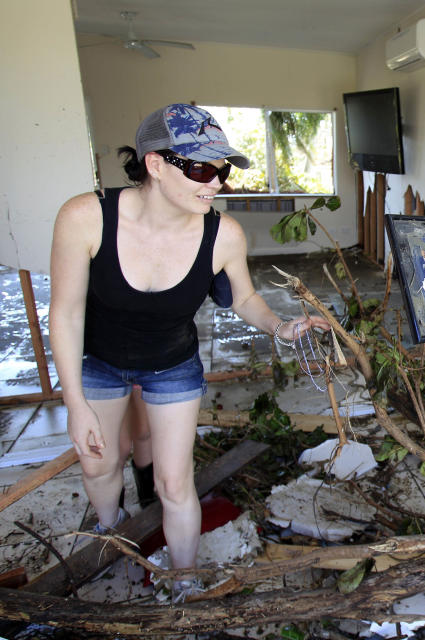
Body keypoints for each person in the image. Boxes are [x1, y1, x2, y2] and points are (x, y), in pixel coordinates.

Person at [49, 103, 328, 603]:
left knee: (174, 482)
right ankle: (112, 532)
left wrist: (281, 325)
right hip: (100, 360)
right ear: (155, 164)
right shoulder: (85, 217)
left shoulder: (224, 234)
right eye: (201, 168)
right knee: (98, 464)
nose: (215, 182)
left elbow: (243, 298)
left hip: (172, 362)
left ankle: (184, 579)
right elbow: (66, 314)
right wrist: (74, 403)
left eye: (221, 169)